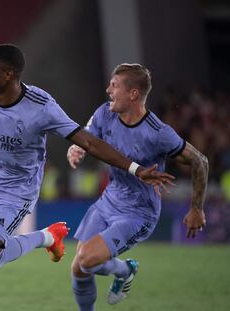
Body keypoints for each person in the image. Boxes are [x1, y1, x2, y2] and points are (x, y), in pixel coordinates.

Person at [0, 44, 174, 311]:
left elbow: (89, 143)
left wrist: (135, 169)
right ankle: (46, 237)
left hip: (15, 194)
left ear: (8, 75)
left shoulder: (41, 107)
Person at [67, 63, 209, 310]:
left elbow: (200, 160)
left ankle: (124, 269)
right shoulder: (105, 113)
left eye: (115, 85)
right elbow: (86, 137)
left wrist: (196, 208)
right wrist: (76, 148)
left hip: (138, 213)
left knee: (87, 259)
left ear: (133, 94)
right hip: (110, 199)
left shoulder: (158, 133)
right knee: (79, 269)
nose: (108, 89)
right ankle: (125, 270)